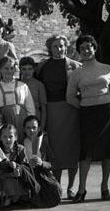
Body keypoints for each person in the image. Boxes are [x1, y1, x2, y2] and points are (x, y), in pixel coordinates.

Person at [66, 35, 110, 202]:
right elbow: (70, 96)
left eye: (89, 47)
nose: (86, 50)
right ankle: (81, 189)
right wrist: (84, 105)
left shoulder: (107, 68)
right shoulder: (76, 73)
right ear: (79, 51)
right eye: (82, 48)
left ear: (94, 49)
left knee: (108, 151)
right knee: (86, 152)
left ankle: (105, 187)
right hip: (87, 114)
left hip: (107, 113)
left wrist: (103, 101)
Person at [35, 34, 81, 198]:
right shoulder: (43, 67)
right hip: (53, 111)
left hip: (72, 110)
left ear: (66, 47)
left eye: (61, 45)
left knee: (73, 149)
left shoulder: (76, 66)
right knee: (56, 151)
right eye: (55, 46)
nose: (59, 49)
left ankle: (71, 187)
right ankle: (58, 186)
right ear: (50, 48)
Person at [0, 124, 39, 207]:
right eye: (4, 137)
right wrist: (12, 174)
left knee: (19, 197)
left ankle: (14, 197)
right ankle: (7, 196)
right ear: (0, 138)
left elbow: (26, 167)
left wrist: (18, 167)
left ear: (16, 137)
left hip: (19, 179)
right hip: (2, 180)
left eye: (11, 136)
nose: (8, 139)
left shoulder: (20, 149)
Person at [22, 115, 62, 208]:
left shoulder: (43, 142)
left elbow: (54, 163)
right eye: (28, 128)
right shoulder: (21, 143)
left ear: (39, 128)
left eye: (34, 127)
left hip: (42, 174)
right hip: (27, 174)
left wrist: (42, 163)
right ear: (24, 129)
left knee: (55, 188)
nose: (31, 130)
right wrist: (26, 165)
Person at [0, 57, 35, 139]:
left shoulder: (22, 86)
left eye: (11, 68)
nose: (9, 71)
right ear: (0, 69)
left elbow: (30, 109)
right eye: (6, 68)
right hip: (4, 123)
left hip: (22, 122)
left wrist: (30, 126)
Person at [19, 56, 48, 128]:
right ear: (20, 70)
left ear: (34, 69)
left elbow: (43, 109)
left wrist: (42, 127)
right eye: (24, 69)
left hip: (35, 119)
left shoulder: (39, 85)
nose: (27, 72)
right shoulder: (16, 84)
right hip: (20, 118)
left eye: (30, 69)